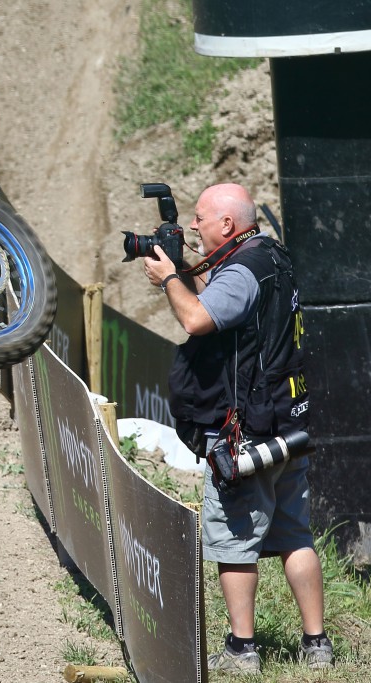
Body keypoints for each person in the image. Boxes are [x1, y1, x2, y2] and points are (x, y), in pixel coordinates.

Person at [142, 183, 332, 673]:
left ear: (227, 224)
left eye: (201, 219)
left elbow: (198, 319)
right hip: (288, 422)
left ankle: (242, 651)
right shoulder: (269, 255)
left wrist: (168, 280)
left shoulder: (243, 268)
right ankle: (317, 644)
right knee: (295, 535)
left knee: (233, 542)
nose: (194, 227)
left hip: (245, 431)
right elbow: (227, 304)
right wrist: (184, 272)